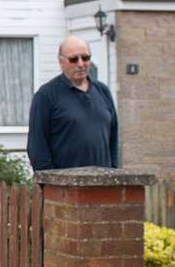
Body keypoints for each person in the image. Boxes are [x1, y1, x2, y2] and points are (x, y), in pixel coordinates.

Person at [26, 35, 120, 172]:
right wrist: (53, 183)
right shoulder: (46, 95)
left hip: (103, 186)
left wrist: (113, 171)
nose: (81, 64)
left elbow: (113, 138)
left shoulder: (103, 91)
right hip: (64, 188)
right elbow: (37, 147)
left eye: (85, 58)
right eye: (73, 59)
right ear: (61, 61)